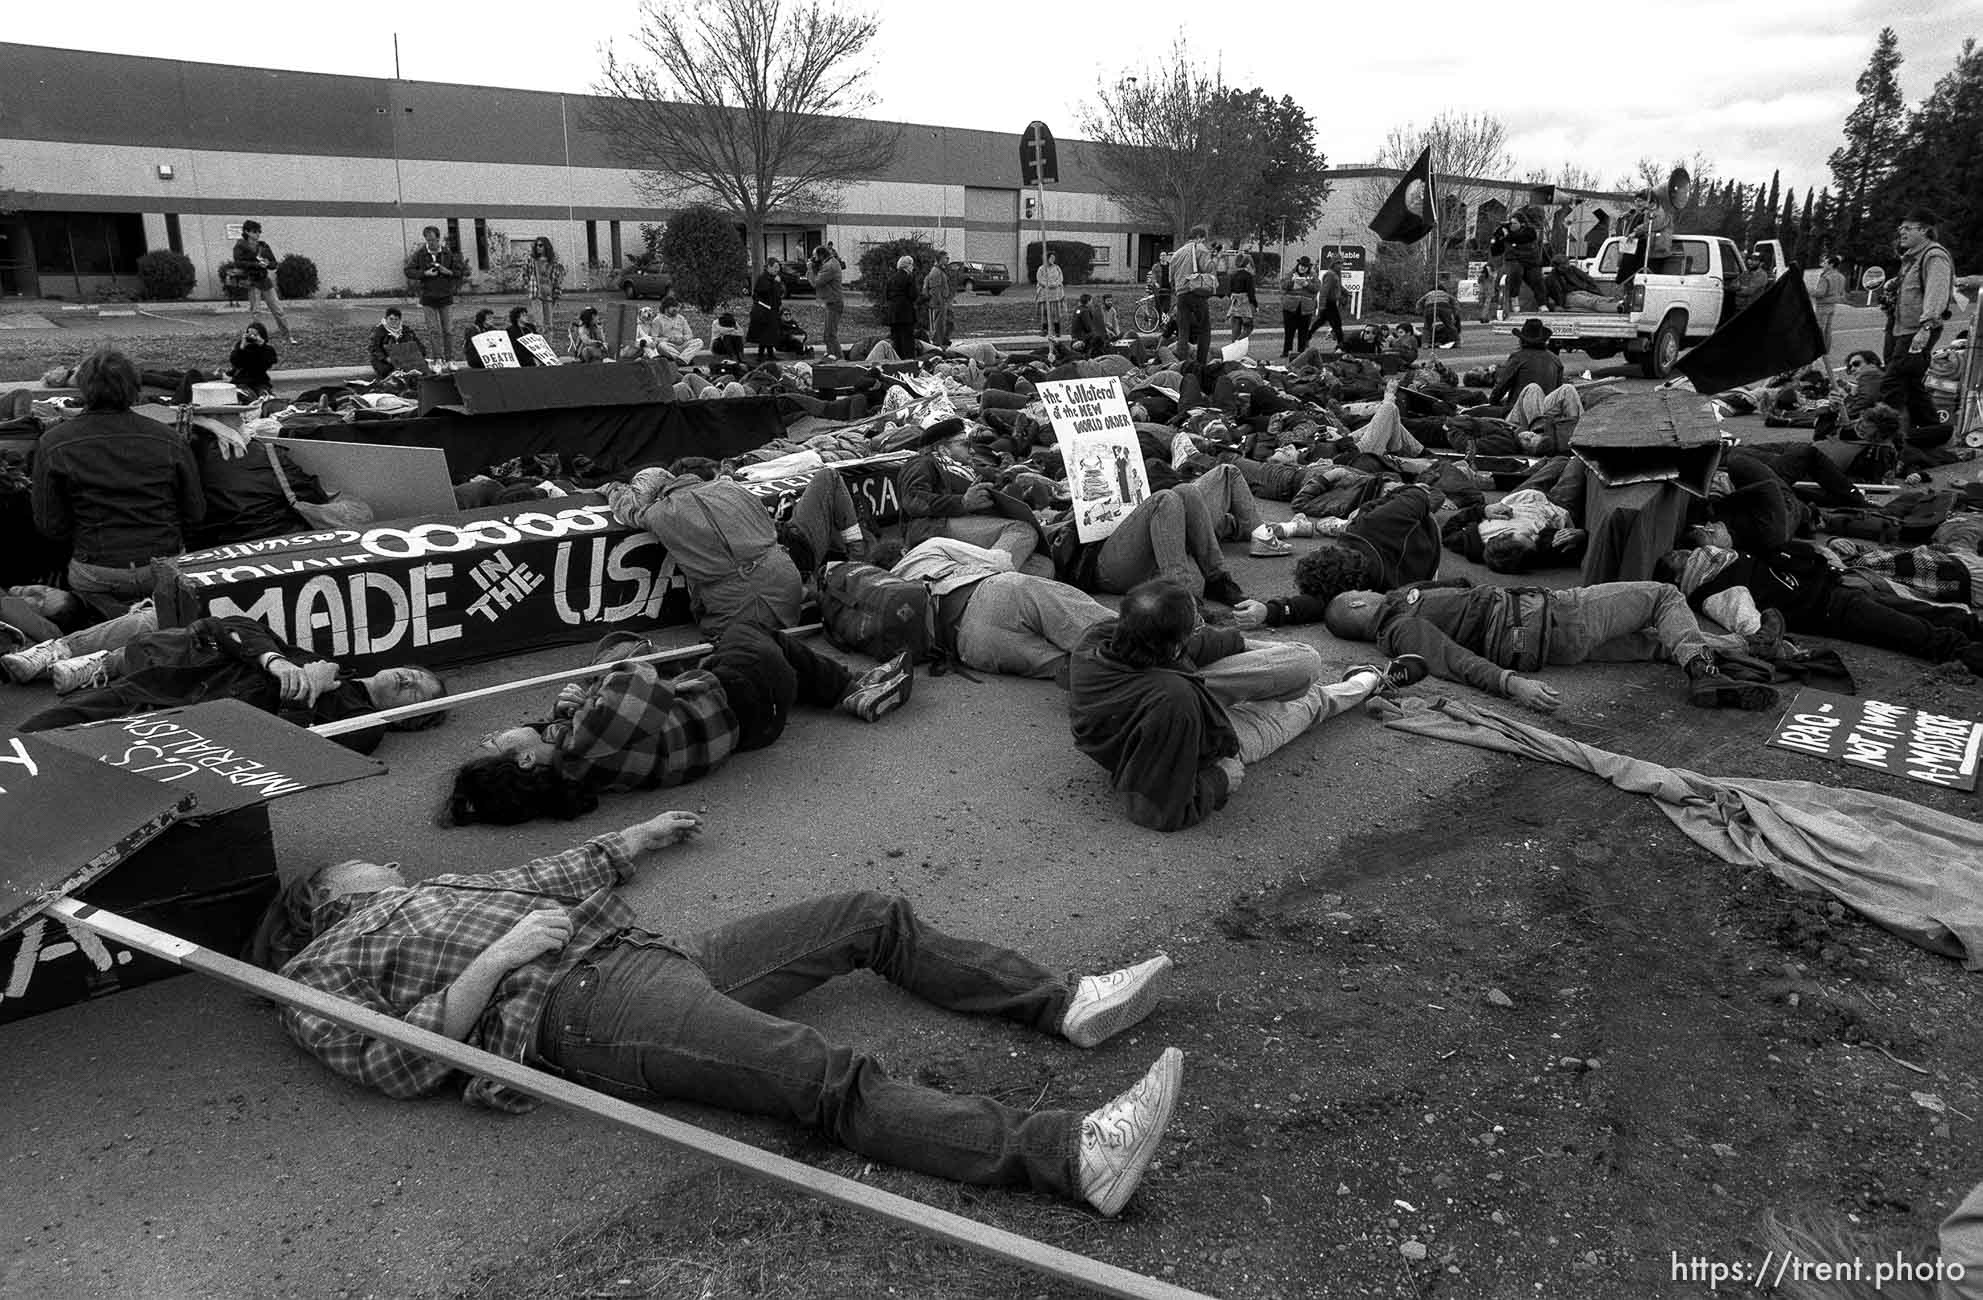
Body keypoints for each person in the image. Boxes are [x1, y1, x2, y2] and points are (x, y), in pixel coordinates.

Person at [256, 809, 1184, 1218]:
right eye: (365, 865)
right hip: (583, 1009)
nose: (386, 862)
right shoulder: (319, 969)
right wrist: (499, 957)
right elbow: (396, 1063)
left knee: (868, 916)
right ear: (330, 896)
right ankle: (1066, 1156)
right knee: (822, 1075)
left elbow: (538, 876)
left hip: (645, 960)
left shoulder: (433, 889)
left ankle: (1065, 1006)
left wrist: (635, 839)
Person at [445, 624, 912, 824]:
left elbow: (606, 715)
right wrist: (588, 693)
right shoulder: (586, 741)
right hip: (746, 697)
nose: (493, 733)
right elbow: (641, 673)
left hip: (748, 728)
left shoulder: (572, 764)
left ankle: (837, 684)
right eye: (493, 741)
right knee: (743, 629)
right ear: (524, 759)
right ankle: (852, 688)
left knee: (758, 651)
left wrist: (567, 709)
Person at [1068, 578, 1425, 830]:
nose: (1199, 629)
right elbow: (1154, 809)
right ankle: (1369, 680)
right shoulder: (1173, 698)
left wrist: (1231, 641)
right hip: (1191, 738)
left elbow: (1196, 647)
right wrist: (1219, 779)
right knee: (1309, 704)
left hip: (1170, 706)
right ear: (1175, 647)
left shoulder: (1100, 637)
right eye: (1193, 626)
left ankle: (1350, 676)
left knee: (1302, 663)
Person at [1319, 579, 1779, 713]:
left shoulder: (1405, 610)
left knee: (1661, 643)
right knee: (1664, 597)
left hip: (1558, 648)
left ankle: (1747, 648)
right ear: (1359, 601)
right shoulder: (1401, 629)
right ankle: (1704, 673)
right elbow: (1454, 663)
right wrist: (1511, 686)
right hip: (1560, 616)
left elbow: (1458, 589)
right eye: (1360, 591)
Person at [17, 614, 447, 753]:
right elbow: (235, 626)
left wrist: (306, 689)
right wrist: (277, 662)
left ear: (405, 719)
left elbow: (289, 747)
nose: (409, 678)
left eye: (415, 691)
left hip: (197, 732)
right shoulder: (332, 664)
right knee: (35, 731)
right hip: (169, 686)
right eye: (415, 673)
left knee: (72, 754)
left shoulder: (364, 726)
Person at [30, 348, 203, 620]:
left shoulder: (54, 442)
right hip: (164, 565)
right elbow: (195, 513)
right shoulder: (169, 439)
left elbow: (50, 525)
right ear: (135, 389)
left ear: (83, 389)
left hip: (97, 570)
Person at [607, 461, 868, 635]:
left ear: (651, 499)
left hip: (747, 606)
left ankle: (803, 602)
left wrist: (610, 488)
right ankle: (855, 563)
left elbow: (626, 510)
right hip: (787, 568)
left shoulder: (657, 514)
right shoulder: (727, 485)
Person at [1667, 540, 1983, 677]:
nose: (1682, 551)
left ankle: (1974, 632)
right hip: (1832, 610)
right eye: (1678, 557)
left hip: (1838, 589)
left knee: (1937, 616)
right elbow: (1748, 624)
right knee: (1923, 635)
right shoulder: (1715, 589)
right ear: (1681, 576)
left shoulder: (1730, 558)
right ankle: (1972, 655)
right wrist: (1782, 647)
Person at [1234, 482, 1442, 629]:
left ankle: (1312, 525)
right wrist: (1365, 510)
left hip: (1424, 570)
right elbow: (1417, 495)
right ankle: (1333, 522)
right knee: (1414, 491)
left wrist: (1267, 612)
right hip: (1426, 529)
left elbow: (1309, 605)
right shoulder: (1372, 524)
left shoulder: (1362, 592)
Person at [898, 419, 1044, 572]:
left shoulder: (966, 468)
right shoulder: (921, 462)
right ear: (943, 450)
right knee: (1022, 531)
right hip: (933, 528)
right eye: (965, 444)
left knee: (1042, 564)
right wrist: (963, 502)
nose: (972, 450)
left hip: (966, 523)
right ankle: (984, 577)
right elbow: (913, 499)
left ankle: (988, 582)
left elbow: (997, 479)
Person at [1877, 209, 1956, 447]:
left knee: (1892, 382)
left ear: (1924, 230)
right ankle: (1935, 432)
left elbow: (1937, 291)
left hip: (1917, 331)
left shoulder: (1934, 256)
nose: (1901, 231)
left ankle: (1881, 438)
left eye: (1908, 228)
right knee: (1911, 384)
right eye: (1901, 227)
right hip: (1900, 328)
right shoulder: (1911, 258)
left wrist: (1926, 327)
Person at [404, 226, 468, 363]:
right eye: (428, 240)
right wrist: (424, 274)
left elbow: (460, 272)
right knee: (434, 331)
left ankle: (450, 359)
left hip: (445, 297)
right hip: (428, 298)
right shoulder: (420, 254)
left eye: (433, 240)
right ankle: (438, 358)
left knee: (448, 330)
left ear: (438, 239)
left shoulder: (447, 253)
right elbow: (408, 270)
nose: (430, 243)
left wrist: (447, 272)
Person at [231, 219, 296, 343]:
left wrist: (267, 264)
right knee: (256, 313)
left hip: (265, 281)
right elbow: (238, 262)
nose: (258, 234)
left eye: (259, 232)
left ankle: (288, 337)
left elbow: (274, 263)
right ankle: (257, 338)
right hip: (252, 281)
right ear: (247, 232)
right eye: (254, 231)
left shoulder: (264, 246)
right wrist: (257, 264)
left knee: (278, 310)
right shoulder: (240, 246)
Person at [1169, 227, 1217, 369]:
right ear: (1199, 237)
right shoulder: (1199, 248)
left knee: (1183, 331)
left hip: (1181, 295)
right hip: (1195, 292)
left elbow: (1170, 278)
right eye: (1203, 239)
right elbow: (1208, 269)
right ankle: (1201, 364)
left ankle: (1183, 365)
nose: (1204, 241)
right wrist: (1214, 259)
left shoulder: (1176, 254)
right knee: (1204, 328)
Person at [1490, 318, 1566, 404]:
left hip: (1520, 410)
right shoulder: (1555, 359)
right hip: (1546, 409)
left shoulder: (1518, 357)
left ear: (1521, 340)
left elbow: (1502, 386)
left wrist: (1493, 402)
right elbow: (1558, 390)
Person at [1499, 209, 1546, 315]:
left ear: (1522, 224)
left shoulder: (1530, 232)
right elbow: (1506, 250)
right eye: (1511, 223)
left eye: (1515, 223)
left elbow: (1521, 238)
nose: (1512, 226)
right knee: (1516, 273)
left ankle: (1542, 304)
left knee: (1537, 280)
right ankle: (1514, 298)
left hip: (1530, 261)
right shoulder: (1507, 233)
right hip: (1516, 261)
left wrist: (1509, 237)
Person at [367, 308, 426, 378]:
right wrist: (386, 358)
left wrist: (419, 355)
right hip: (384, 360)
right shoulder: (378, 331)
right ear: (386, 319)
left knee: (422, 368)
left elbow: (418, 345)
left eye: (396, 319)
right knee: (389, 371)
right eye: (391, 319)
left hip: (404, 358)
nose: (393, 322)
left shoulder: (406, 330)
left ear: (400, 320)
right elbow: (374, 348)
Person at [524, 237, 565, 337]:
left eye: (541, 245)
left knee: (549, 323)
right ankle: (540, 347)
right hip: (536, 294)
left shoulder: (553, 262)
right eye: (537, 245)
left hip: (549, 295)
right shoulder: (532, 260)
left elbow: (557, 279)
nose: (538, 248)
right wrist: (529, 285)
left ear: (546, 247)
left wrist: (556, 292)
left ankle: (549, 346)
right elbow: (525, 274)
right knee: (539, 323)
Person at [1280, 256, 1320, 357]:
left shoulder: (1313, 275)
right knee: (1289, 331)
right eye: (1302, 265)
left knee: (1303, 333)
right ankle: (1286, 352)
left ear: (1308, 267)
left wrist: (1306, 284)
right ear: (1298, 265)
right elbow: (1283, 285)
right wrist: (1293, 282)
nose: (1303, 268)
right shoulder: (1291, 273)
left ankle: (1301, 353)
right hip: (1290, 308)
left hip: (1306, 309)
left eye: (1305, 267)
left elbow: (1317, 288)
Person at [810, 247, 845, 360]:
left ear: (821, 256)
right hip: (832, 301)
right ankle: (832, 355)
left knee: (830, 334)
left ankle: (839, 358)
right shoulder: (830, 263)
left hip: (834, 302)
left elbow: (816, 282)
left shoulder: (829, 266)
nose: (813, 259)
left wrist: (810, 268)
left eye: (814, 256)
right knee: (828, 335)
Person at [748, 258, 785, 363]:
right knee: (764, 333)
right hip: (764, 310)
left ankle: (770, 354)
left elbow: (779, 292)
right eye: (775, 267)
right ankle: (760, 355)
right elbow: (763, 291)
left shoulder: (775, 278)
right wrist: (776, 283)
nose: (777, 270)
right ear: (768, 267)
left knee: (770, 333)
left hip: (772, 309)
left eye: (778, 267)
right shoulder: (763, 278)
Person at [1811, 254, 1849, 355]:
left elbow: (1820, 293)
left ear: (1831, 264)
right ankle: (1826, 351)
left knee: (1820, 329)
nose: (1823, 264)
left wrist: (1808, 290)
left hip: (1822, 306)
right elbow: (1841, 293)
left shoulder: (1826, 277)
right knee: (1828, 329)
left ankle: (1818, 350)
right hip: (1832, 306)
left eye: (1825, 263)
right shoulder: (1841, 277)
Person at [227, 322, 279, 394]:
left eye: (255, 334)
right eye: (249, 333)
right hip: (241, 380)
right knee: (246, 395)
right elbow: (234, 362)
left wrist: (262, 346)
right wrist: (241, 348)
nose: (252, 336)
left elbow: (268, 364)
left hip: (260, 381)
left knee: (265, 396)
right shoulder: (241, 347)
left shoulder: (268, 349)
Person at [884, 255, 918, 360]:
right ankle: (908, 363)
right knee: (907, 342)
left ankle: (896, 361)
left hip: (893, 314)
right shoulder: (909, 278)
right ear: (907, 266)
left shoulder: (891, 278)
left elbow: (887, 295)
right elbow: (913, 295)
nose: (913, 267)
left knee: (896, 340)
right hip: (906, 314)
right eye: (912, 265)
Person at [924, 250, 956, 349]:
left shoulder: (940, 270)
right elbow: (935, 289)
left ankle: (944, 340)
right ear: (940, 259)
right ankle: (938, 343)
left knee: (947, 322)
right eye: (946, 258)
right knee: (939, 324)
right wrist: (940, 302)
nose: (948, 260)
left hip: (944, 301)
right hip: (939, 302)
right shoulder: (936, 272)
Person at [1036, 250, 1067, 345]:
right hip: (1045, 293)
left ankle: (1057, 330)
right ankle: (1044, 329)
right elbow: (1039, 278)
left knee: (1055, 312)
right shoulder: (1041, 268)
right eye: (1051, 258)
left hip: (1055, 293)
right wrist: (1047, 284)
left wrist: (1056, 284)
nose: (1053, 260)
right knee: (1045, 311)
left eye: (1054, 258)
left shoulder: (1057, 268)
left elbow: (1060, 278)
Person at [1417, 279, 1460, 347]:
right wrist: (1454, 313)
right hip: (1444, 307)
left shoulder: (1428, 294)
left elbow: (1419, 302)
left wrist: (1421, 312)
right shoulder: (1446, 294)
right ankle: (1457, 342)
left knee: (1427, 327)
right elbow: (1455, 302)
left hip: (1430, 307)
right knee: (1450, 325)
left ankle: (1425, 344)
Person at [1226, 253, 1257, 343]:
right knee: (1248, 327)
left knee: (1236, 327)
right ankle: (1238, 341)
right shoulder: (1248, 276)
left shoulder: (1233, 275)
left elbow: (1229, 291)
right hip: (1244, 304)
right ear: (1247, 264)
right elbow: (1251, 292)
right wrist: (1255, 304)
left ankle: (1234, 348)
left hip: (1235, 303)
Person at [1317, 258, 1347, 348]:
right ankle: (1341, 344)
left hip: (1333, 302)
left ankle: (1308, 336)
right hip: (1329, 303)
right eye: (1339, 264)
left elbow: (1338, 287)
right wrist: (1321, 306)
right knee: (1336, 324)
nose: (1341, 266)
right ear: (1334, 264)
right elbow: (1324, 291)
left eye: (1342, 264)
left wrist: (1345, 292)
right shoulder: (1330, 275)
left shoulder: (1336, 275)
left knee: (1322, 322)